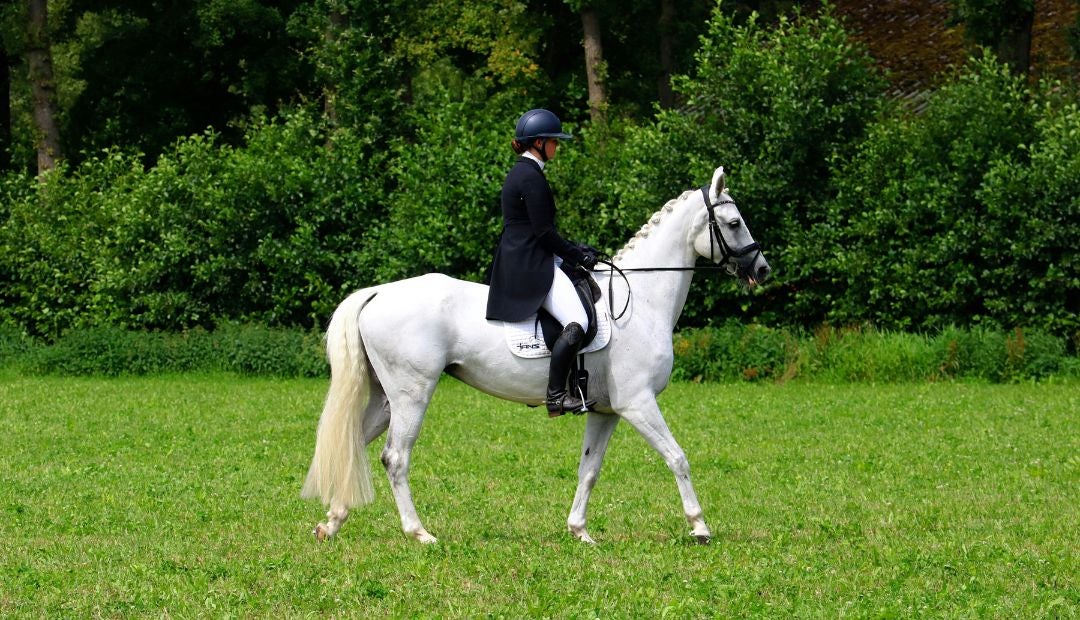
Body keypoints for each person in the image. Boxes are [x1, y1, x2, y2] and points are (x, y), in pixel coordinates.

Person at [486, 109, 598, 417]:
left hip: (524, 256)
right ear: (538, 143)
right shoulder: (530, 176)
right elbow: (543, 232)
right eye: (553, 141)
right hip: (531, 264)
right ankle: (557, 395)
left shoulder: (522, 173)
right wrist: (578, 256)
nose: (556, 147)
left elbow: (537, 229)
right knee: (578, 322)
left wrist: (574, 248)